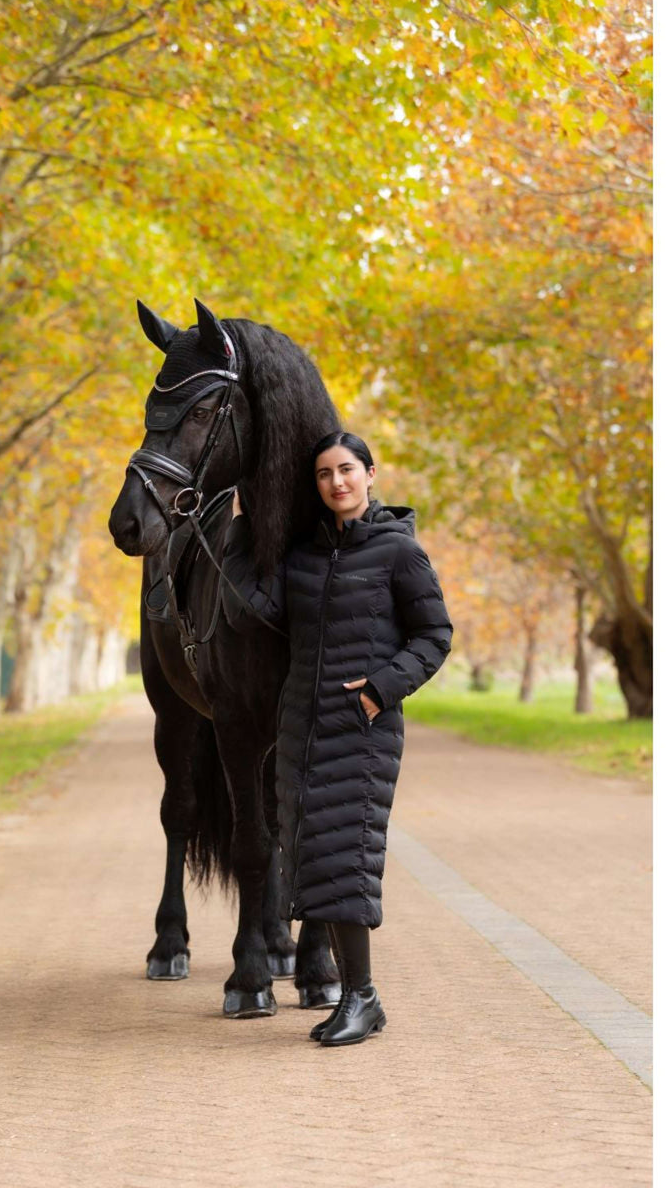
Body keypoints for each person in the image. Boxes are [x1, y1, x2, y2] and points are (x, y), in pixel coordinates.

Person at [220, 431, 453, 1046]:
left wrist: (381, 687)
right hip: (302, 728)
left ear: (371, 474)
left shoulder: (400, 552)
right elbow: (254, 608)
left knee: (348, 858)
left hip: (364, 729)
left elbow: (434, 636)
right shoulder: (302, 556)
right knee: (311, 856)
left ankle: (363, 998)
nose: (336, 483)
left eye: (346, 470)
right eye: (324, 475)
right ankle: (353, 997)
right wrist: (239, 534)